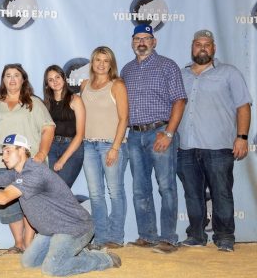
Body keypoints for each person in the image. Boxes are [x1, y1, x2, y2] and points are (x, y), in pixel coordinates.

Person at [0, 134, 121, 276]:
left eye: (8, 151)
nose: (3, 157)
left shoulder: (34, 172)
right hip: (50, 231)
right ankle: (76, 252)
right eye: (2, 152)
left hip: (73, 228)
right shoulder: (14, 173)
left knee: (53, 269)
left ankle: (103, 260)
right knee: (29, 263)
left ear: (23, 151)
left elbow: (3, 198)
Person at [177, 30, 252, 252]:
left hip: (219, 146)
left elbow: (243, 106)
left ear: (214, 48)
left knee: (221, 192)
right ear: (192, 47)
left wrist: (242, 137)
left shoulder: (230, 73)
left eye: (207, 44)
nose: (202, 48)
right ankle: (197, 235)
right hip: (187, 146)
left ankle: (225, 236)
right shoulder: (182, 74)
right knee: (192, 193)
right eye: (198, 44)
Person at [120, 24, 187, 254]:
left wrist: (169, 133)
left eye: (146, 38)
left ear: (154, 42)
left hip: (159, 132)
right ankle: (147, 236)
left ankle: (168, 238)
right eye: (137, 38)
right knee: (140, 188)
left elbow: (180, 100)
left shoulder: (167, 66)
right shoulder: (126, 70)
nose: (141, 42)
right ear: (132, 42)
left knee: (166, 186)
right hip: (134, 134)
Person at [0, 64, 55, 254]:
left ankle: (29, 242)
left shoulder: (33, 103)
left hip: (29, 164)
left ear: (23, 79)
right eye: (8, 76)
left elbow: (48, 128)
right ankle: (18, 243)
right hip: (1, 161)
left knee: (30, 203)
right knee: (9, 205)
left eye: (16, 75)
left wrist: (42, 154)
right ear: (3, 80)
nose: (12, 79)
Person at [80, 47, 129, 249]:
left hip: (111, 144)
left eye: (105, 60)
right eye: (97, 60)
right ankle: (100, 238)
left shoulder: (117, 85)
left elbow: (124, 118)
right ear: (92, 63)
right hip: (88, 145)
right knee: (95, 194)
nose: (101, 64)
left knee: (115, 192)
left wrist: (115, 148)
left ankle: (116, 237)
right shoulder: (84, 85)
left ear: (111, 64)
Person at [43, 65, 85, 187]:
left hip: (72, 148)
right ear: (47, 84)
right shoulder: (46, 103)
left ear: (64, 78)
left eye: (57, 77)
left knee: (61, 189)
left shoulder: (75, 100)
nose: (55, 81)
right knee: (49, 189)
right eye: (50, 80)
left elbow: (80, 134)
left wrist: (63, 159)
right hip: (51, 148)